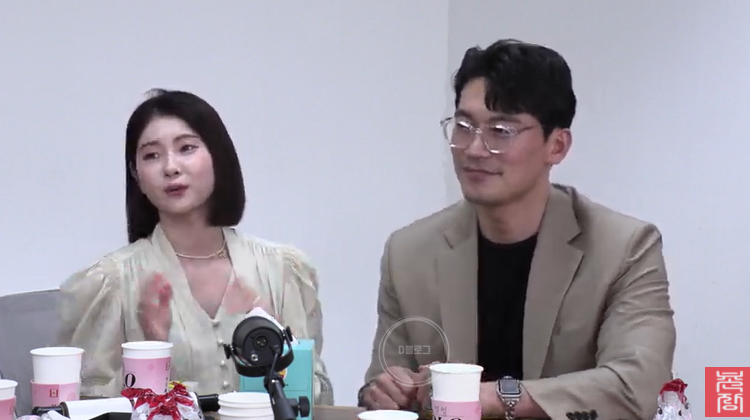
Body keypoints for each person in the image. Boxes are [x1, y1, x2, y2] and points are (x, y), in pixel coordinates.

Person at [359, 39, 675, 420]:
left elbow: (637, 386)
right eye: (464, 126)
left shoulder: (625, 249)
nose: (474, 149)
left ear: (556, 146)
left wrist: (495, 397)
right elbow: (385, 383)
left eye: (501, 130)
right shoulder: (409, 253)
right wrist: (386, 391)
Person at [57, 89, 334, 405]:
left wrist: (275, 345)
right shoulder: (111, 282)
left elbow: (318, 398)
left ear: (218, 156)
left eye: (186, 148)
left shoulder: (283, 270)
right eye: (151, 155)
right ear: (137, 175)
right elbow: (85, 405)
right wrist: (152, 348)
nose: (170, 167)